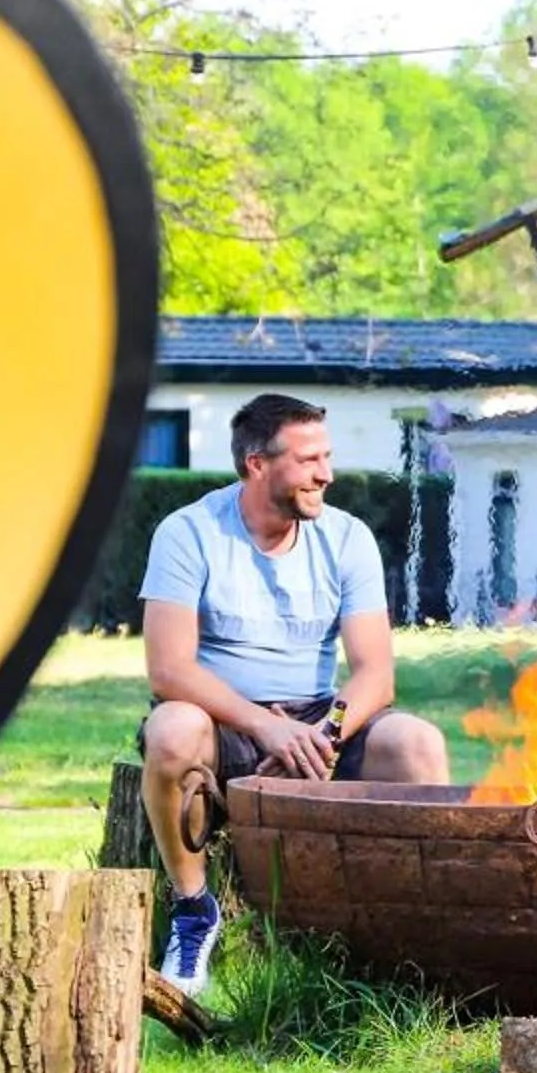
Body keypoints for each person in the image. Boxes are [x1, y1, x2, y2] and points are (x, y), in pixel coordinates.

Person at [139, 393, 452, 996]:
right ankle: (194, 911)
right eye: (309, 460)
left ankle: (416, 927)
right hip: (223, 719)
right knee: (173, 730)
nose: (326, 474)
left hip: (319, 717)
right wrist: (265, 726)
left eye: (326, 457)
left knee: (417, 742)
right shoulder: (188, 533)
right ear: (257, 464)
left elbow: (375, 675)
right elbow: (169, 670)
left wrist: (323, 735)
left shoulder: (347, 538)